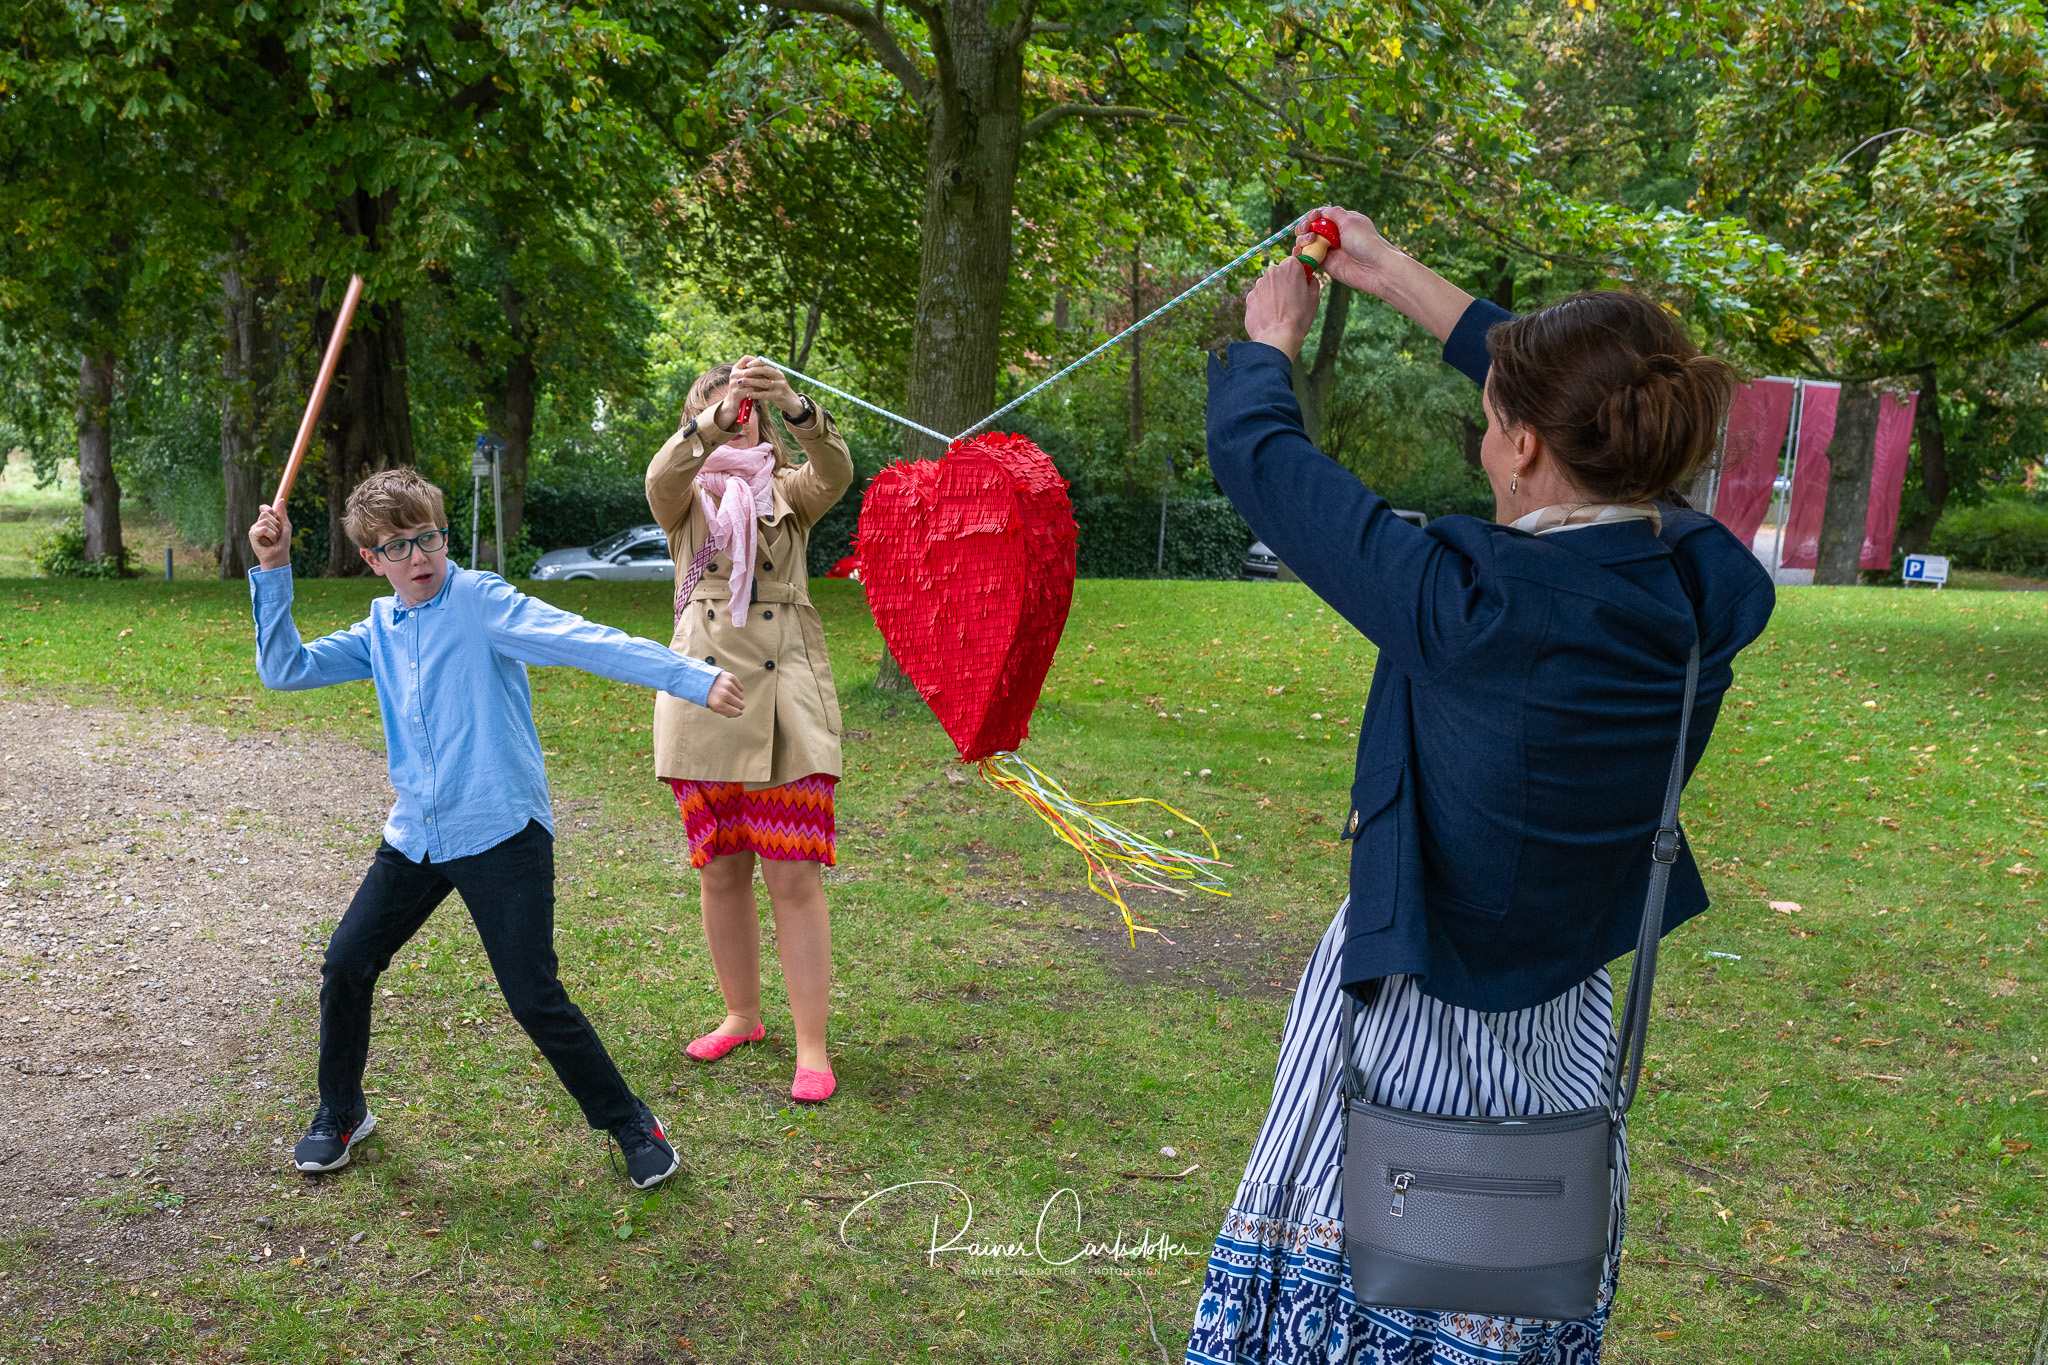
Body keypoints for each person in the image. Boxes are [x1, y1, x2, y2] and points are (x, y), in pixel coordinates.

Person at [1185, 208, 1775, 1364]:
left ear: (1515, 450)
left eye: (1489, 420)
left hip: (1411, 999)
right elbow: (1602, 427)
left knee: (1368, 1264)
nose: (1482, 436)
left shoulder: (1474, 601)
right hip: (1562, 1006)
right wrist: (1394, 273)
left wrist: (1266, 347)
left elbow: (1264, 465)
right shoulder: (1706, 591)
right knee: (1501, 1287)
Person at [246, 469, 745, 1189]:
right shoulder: (380, 628)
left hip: (501, 831)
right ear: (371, 559)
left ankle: (631, 1124)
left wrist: (689, 676)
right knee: (346, 962)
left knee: (533, 995)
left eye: (430, 539)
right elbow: (284, 669)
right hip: (416, 835)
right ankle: (341, 1110)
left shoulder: (479, 600)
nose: (420, 558)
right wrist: (273, 567)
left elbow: (580, 639)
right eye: (398, 547)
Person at [646, 356, 854, 1103]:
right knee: (721, 867)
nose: (740, 416)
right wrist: (710, 422)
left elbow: (834, 469)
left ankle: (811, 1045)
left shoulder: (789, 495)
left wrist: (792, 403)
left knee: (793, 874)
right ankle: (741, 1012)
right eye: (723, 407)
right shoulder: (684, 501)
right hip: (704, 700)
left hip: (783, 703)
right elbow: (662, 478)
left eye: (748, 408)